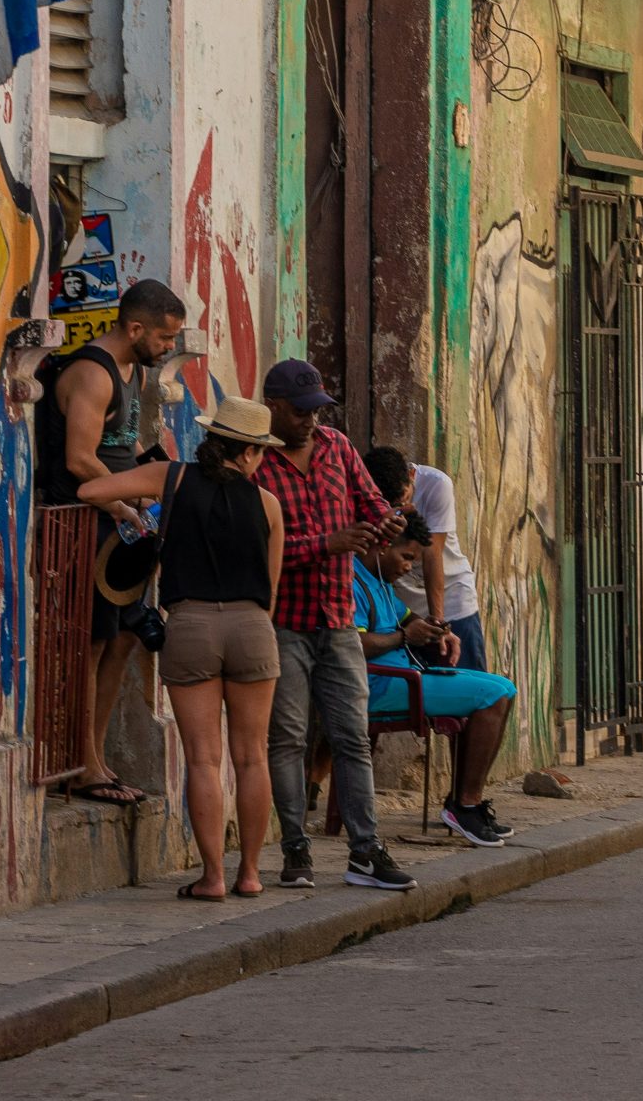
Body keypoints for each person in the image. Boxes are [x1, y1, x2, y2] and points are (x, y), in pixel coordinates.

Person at [90, 395, 284, 901]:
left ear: (211, 440)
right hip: (252, 627)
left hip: (192, 624)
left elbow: (91, 487)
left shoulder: (169, 479)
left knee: (203, 759)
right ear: (250, 454)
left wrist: (134, 512)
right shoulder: (269, 505)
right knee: (252, 757)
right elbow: (271, 588)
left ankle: (213, 878)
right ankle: (251, 874)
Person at [254, 358, 414, 893]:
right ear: (274, 407)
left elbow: (370, 502)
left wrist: (384, 521)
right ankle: (295, 846)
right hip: (285, 622)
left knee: (352, 737)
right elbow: (257, 548)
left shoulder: (337, 447)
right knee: (288, 740)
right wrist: (325, 544)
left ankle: (365, 850)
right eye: (300, 412)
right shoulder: (256, 462)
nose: (310, 421)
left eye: (316, 410)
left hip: (338, 618)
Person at [35, 278, 187, 807]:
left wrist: (153, 481)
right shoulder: (91, 372)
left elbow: (124, 445)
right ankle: (82, 765)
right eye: (166, 339)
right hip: (87, 524)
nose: (170, 349)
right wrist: (126, 504)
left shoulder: (131, 371)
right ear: (135, 327)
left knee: (123, 640)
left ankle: (95, 756)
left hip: (122, 529)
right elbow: (80, 460)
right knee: (89, 645)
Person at [353, 512, 520, 847]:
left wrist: (433, 628)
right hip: (383, 686)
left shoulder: (382, 583)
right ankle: (465, 806)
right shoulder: (353, 582)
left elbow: (405, 617)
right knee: (492, 697)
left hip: (406, 677)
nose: (408, 567)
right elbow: (354, 644)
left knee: (505, 688)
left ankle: (464, 799)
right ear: (382, 546)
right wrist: (404, 637)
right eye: (406, 557)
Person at [360, 446, 487, 672]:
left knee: (467, 684)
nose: (401, 510)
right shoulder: (368, 498)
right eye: (392, 506)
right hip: (404, 613)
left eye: (404, 500)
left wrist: (439, 624)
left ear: (411, 476)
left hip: (450, 603)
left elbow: (432, 555)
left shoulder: (437, 485)